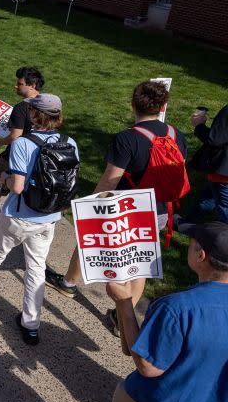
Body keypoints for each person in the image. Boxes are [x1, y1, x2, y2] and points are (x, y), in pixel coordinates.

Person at [46, 82, 188, 332]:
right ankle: (124, 318)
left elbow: (111, 178)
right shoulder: (177, 136)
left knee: (89, 240)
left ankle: (68, 283)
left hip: (125, 208)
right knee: (141, 261)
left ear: (133, 104)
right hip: (159, 209)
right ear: (163, 106)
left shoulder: (127, 138)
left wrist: (91, 203)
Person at [93, 221, 228, 402]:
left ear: (200, 255)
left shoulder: (176, 308)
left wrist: (124, 304)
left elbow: (148, 366)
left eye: (191, 242)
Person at [0, 94, 78, 345]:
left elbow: (18, 186)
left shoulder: (24, 143)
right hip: (50, 217)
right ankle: (31, 324)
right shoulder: (71, 143)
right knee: (36, 268)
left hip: (20, 215)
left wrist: (4, 180)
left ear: (35, 115)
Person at [0, 67, 44, 215]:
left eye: (20, 83)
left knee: (0, 172)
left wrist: (1, 142)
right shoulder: (46, 104)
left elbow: (15, 136)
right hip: (38, 151)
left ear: (32, 85)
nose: (15, 86)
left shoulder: (22, 108)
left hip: (17, 151)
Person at [179, 103, 228, 226]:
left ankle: (218, 242)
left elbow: (215, 139)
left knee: (225, 211)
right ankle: (185, 224)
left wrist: (199, 126)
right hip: (222, 173)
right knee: (208, 197)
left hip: (223, 173)